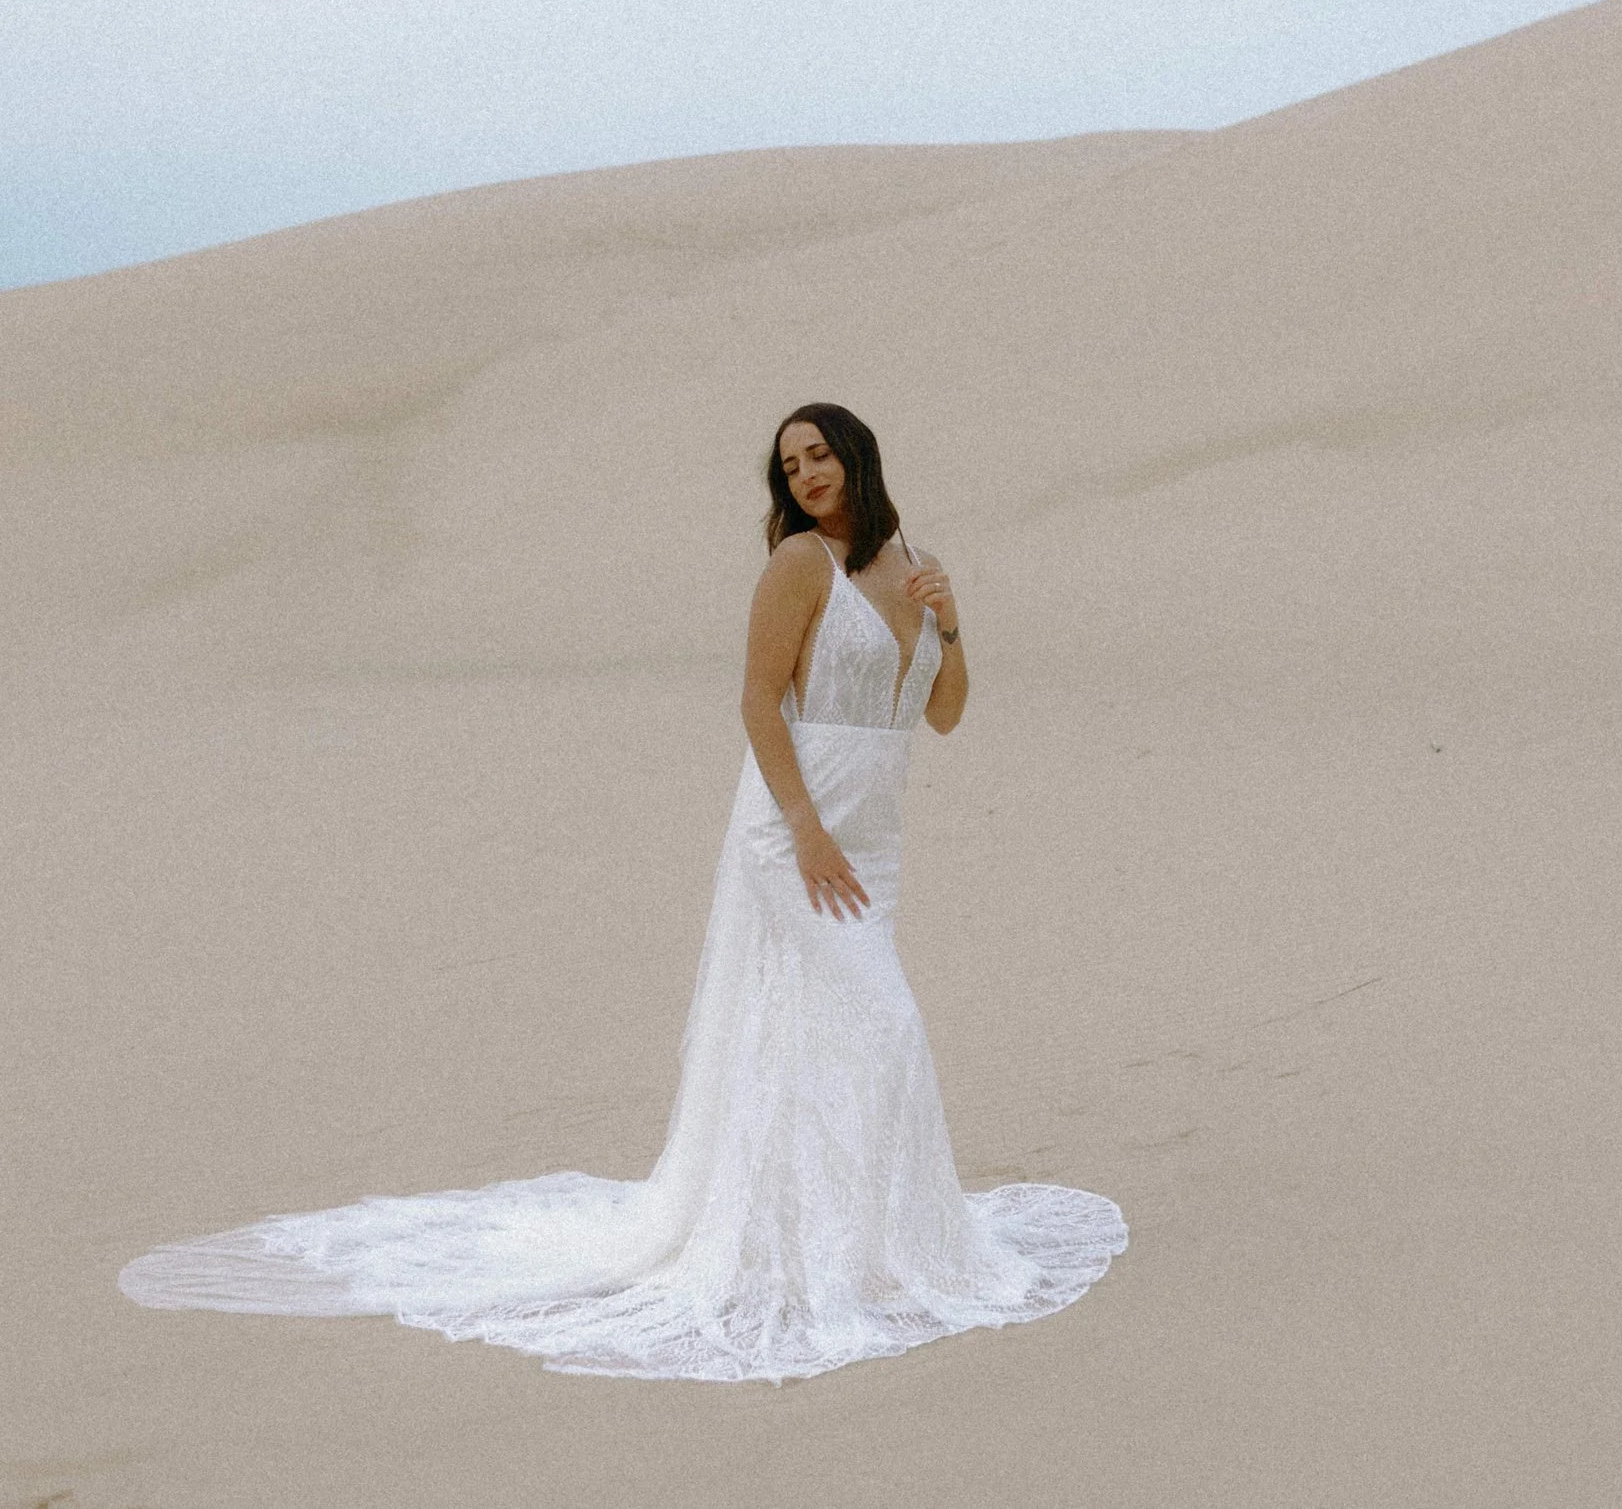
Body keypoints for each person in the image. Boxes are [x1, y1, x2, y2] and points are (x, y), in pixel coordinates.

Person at [116, 402, 1126, 1383]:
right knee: (888, 1024)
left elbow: (940, 716)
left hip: (878, 838)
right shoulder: (794, 564)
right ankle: (867, 1243)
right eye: (790, 466)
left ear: (858, 455)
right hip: (795, 833)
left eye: (819, 455)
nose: (807, 475)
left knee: (824, 1033)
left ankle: (852, 1237)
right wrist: (805, 828)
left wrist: (952, 625)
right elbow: (755, 699)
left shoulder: (912, 561)